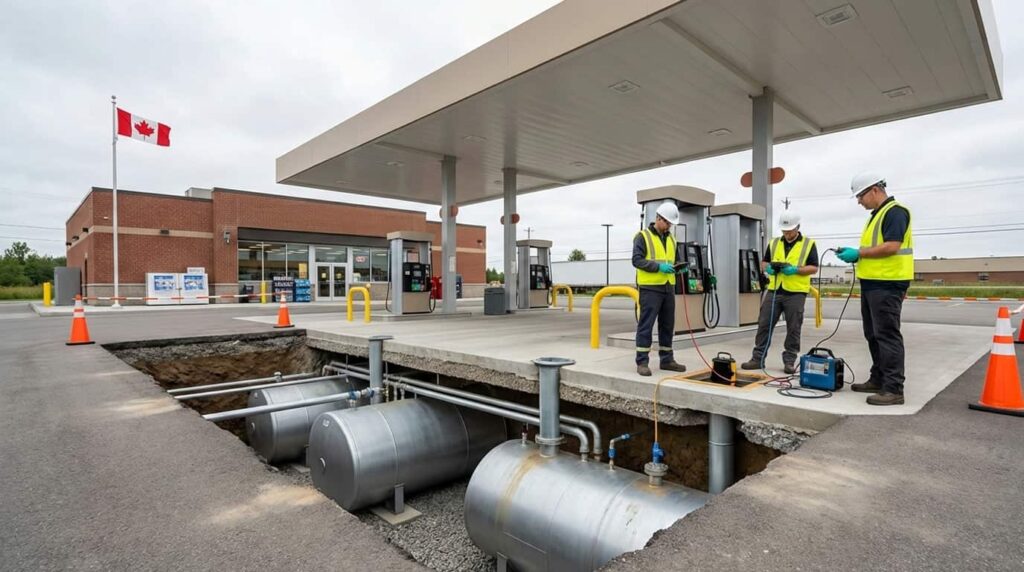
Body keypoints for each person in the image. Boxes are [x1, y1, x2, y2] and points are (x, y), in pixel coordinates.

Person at [837, 172, 913, 406]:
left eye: (860, 196)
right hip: (873, 283)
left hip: (887, 284)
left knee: (887, 335)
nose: (859, 201)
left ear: (874, 190)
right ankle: (879, 379)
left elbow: (892, 246)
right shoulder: (877, 215)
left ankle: (893, 389)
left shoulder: (895, 212)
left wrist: (858, 253)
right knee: (873, 334)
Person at [741, 211, 819, 374]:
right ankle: (758, 359)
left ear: (798, 227)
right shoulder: (774, 243)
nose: (787, 233)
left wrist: (796, 270)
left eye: (790, 230)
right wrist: (767, 268)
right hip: (775, 290)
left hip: (796, 292)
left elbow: (813, 267)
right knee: (764, 324)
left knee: (793, 328)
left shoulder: (808, 244)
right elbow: (764, 262)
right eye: (784, 230)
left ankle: (789, 361)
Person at [632, 201, 687, 377]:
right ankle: (642, 362)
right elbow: (637, 260)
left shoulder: (671, 238)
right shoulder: (643, 236)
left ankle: (667, 360)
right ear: (658, 218)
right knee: (646, 325)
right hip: (650, 288)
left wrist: (680, 267)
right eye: (667, 222)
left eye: (671, 223)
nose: (669, 226)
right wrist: (658, 267)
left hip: (668, 288)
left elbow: (674, 260)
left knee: (667, 325)